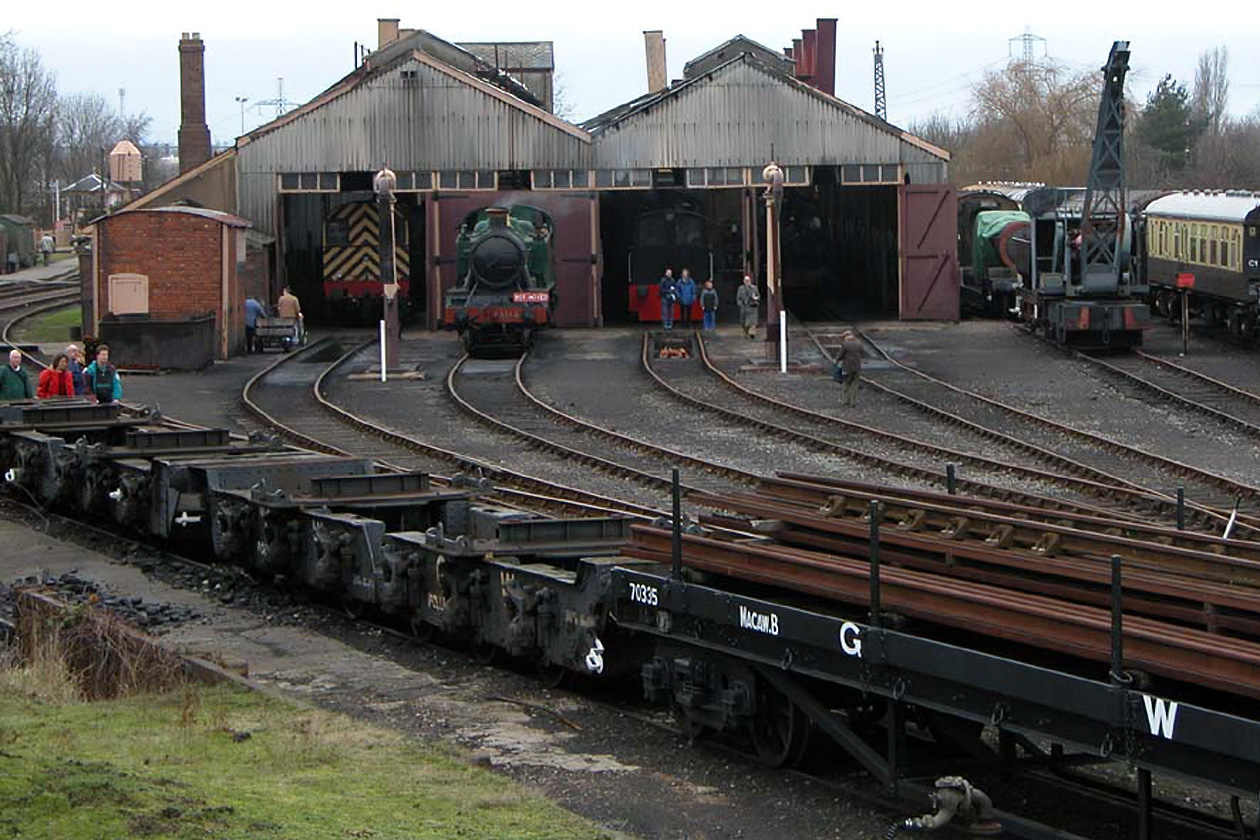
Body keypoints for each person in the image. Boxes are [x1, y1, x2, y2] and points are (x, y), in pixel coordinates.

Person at [837, 330, 863, 407]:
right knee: (854, 384)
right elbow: (862, 352)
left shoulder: (845, 344)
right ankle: (853, 402)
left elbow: (841, 355)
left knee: (847, 383)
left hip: (847, 367)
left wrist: (837, 361)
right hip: (857, 367)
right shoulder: (859, 343)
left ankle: (848, 400)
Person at [736, 274, 760, 340]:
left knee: (753, 323)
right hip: (744, 308)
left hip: (752, 307)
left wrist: (755, 301)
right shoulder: (741, 288)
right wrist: (741, 304)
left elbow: (758, 296)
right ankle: (745, 333)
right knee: (744, 323)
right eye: (746, 280)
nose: (747, 281)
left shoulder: (754, 288)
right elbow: (738, 298)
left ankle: (752, 334)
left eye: (748, 280)